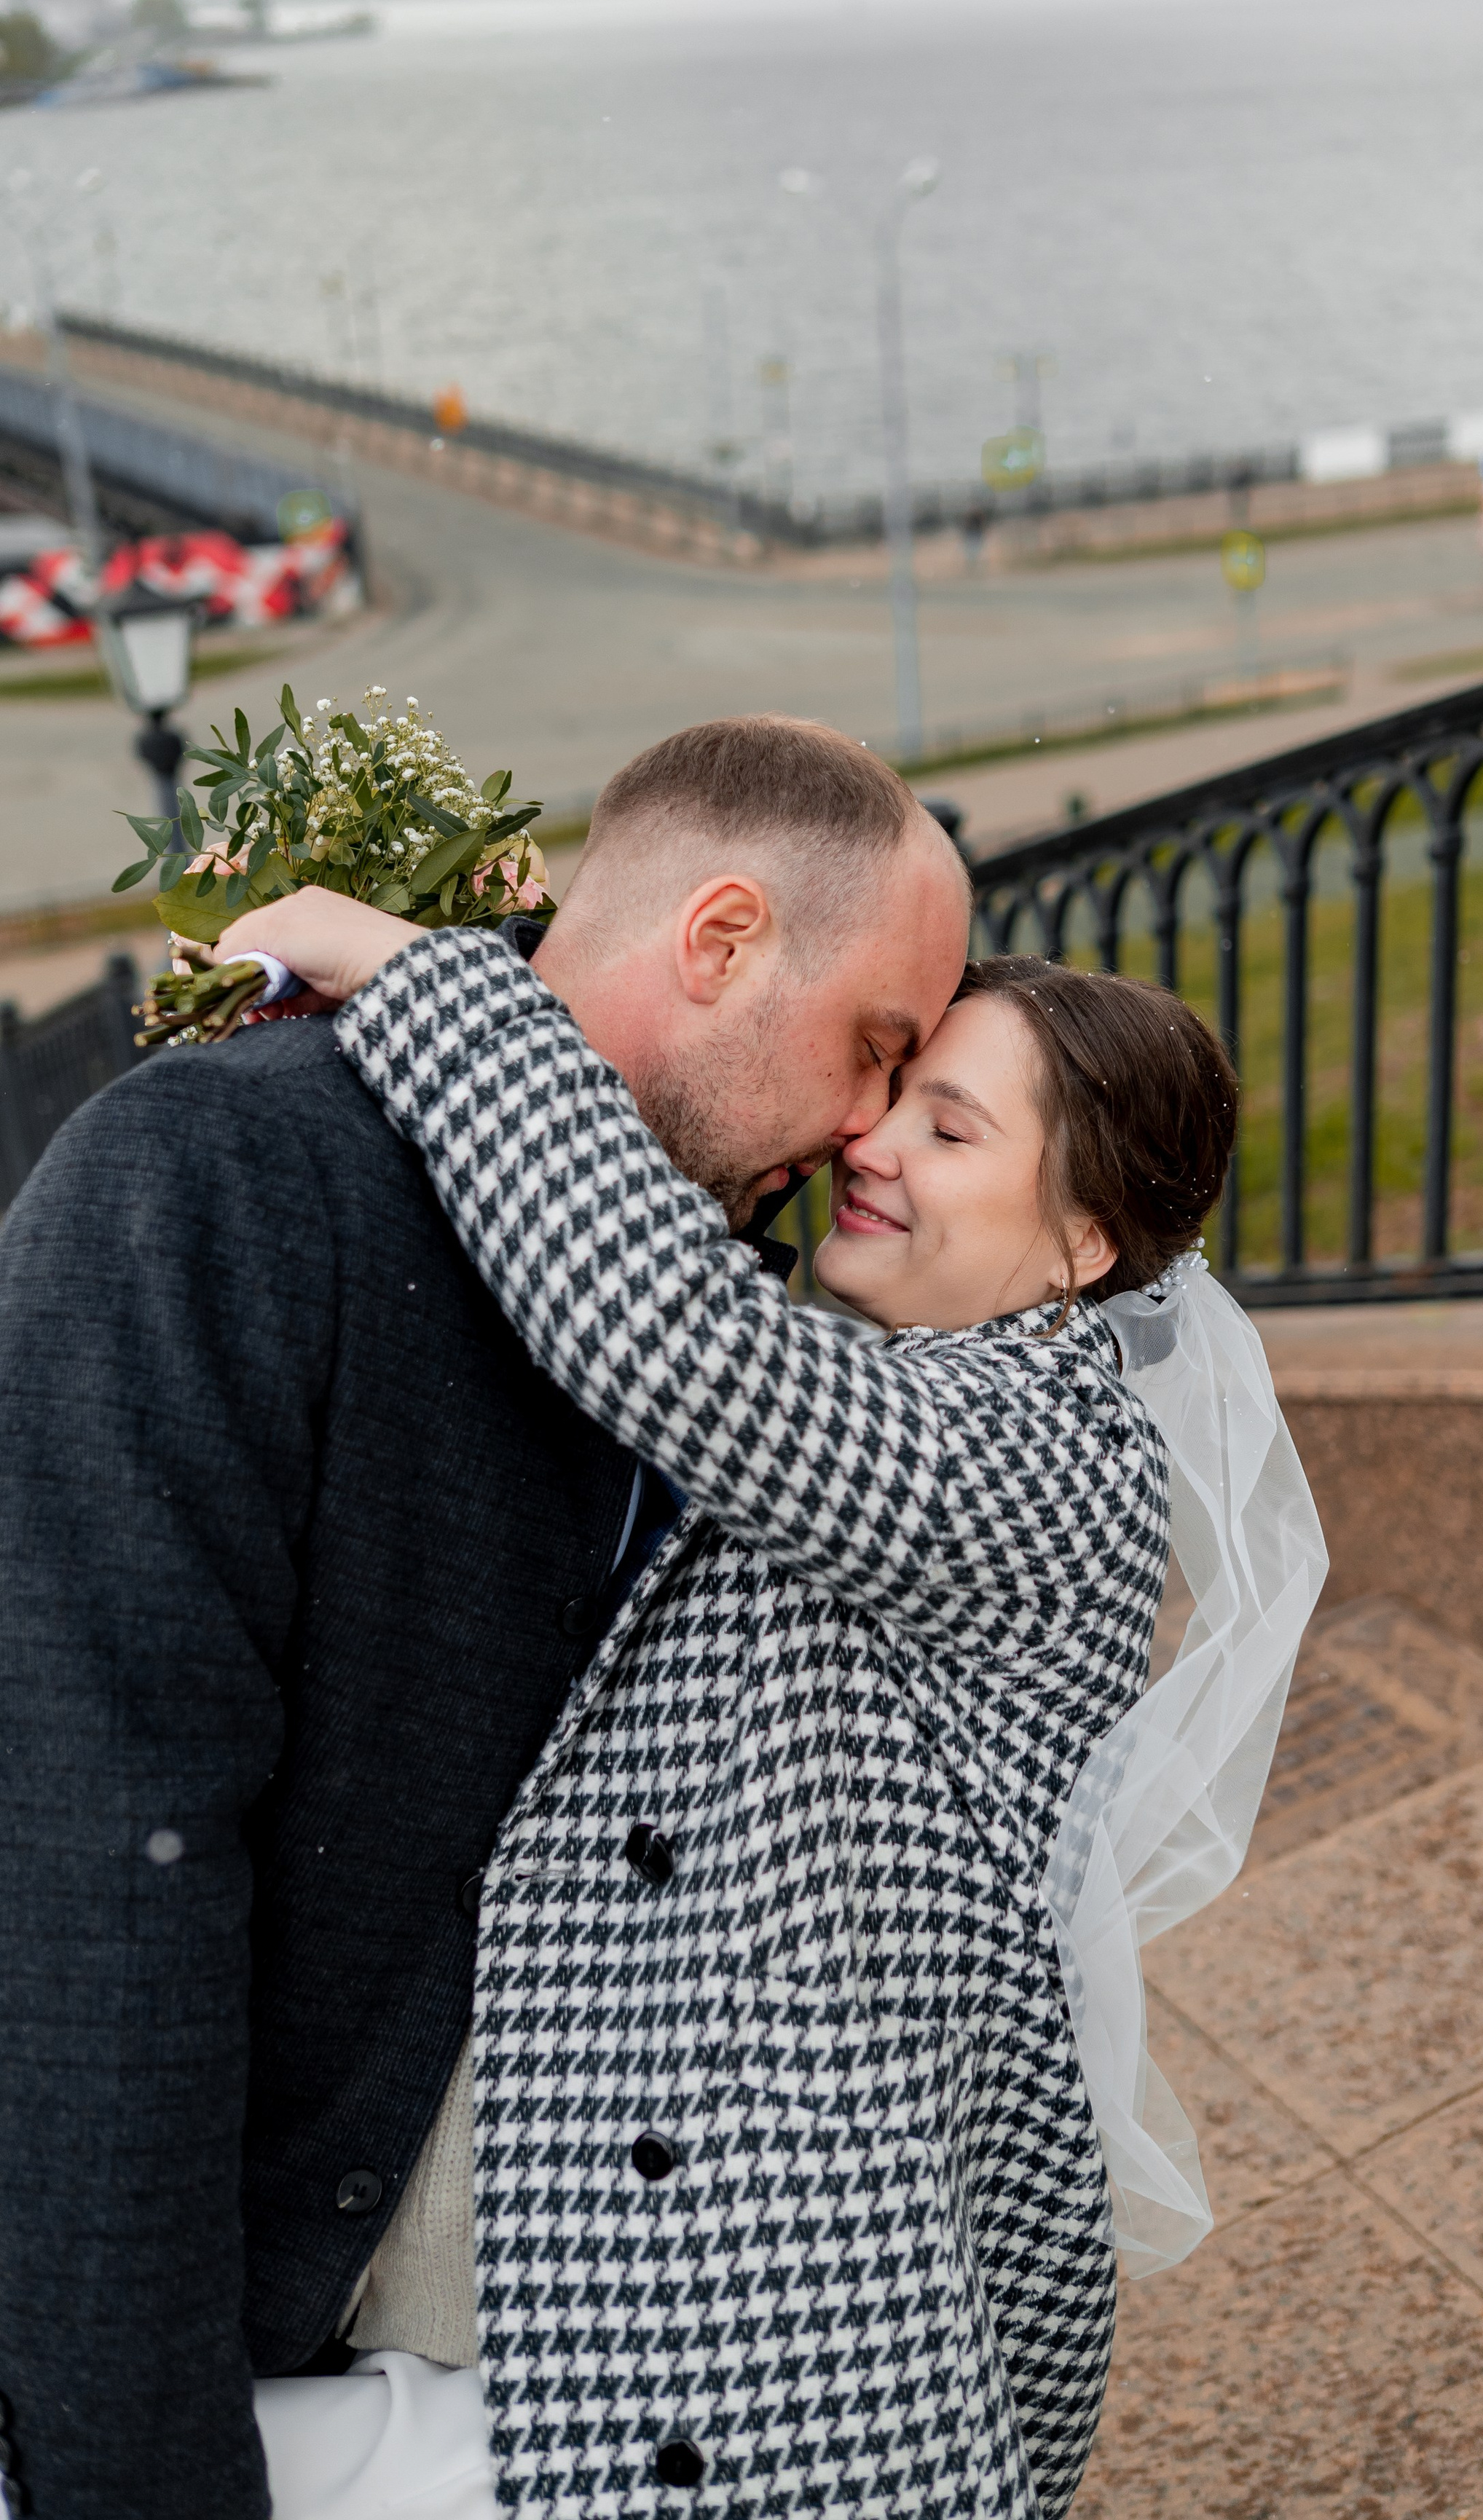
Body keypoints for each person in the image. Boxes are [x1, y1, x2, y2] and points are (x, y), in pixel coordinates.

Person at [227, 883, 1324, 2520]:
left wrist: (422, 974)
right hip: (642, 2228)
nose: (866, 1142)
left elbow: (679, 1340)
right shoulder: (921, 1392)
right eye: (889, 1094)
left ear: (1084, 1244)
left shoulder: (1046, 1454)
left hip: (758, 2300)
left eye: (948, 1127)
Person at [0, 717, 972, 2520]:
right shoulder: (222, 1176)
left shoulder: (706, 1308)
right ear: (721, 937)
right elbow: (99, 1877)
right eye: (875, 1045)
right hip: (248, 2353)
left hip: (554, 2373)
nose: (867, 1125)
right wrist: (139, 2476)